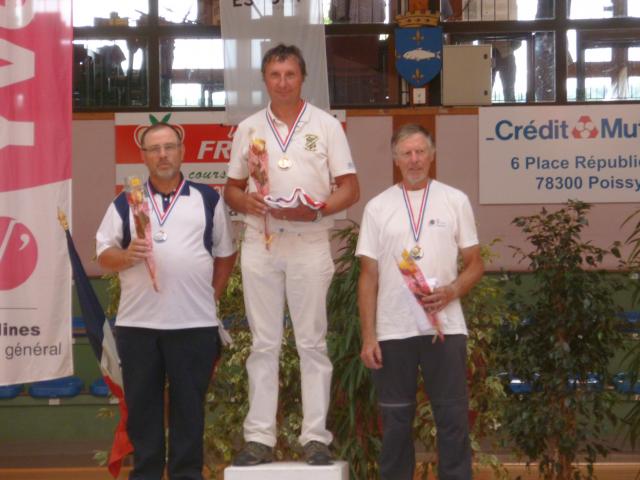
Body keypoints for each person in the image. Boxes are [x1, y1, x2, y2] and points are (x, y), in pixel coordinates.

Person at [224, 43, 359, 466]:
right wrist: (246, 203)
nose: (283, 82)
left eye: (290, 74)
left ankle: (315, 437)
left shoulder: (326, 126)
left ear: (303, 78)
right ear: (265, 80)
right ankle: (259, 438)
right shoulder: (248, 128)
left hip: (309, 242)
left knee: (312, 342)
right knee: (263, 343)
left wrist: (317, 209)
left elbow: (350, 188)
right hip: (260, 242)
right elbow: (231, 189)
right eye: (275, 75)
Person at [96, 122, 237, 480]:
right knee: (143, 413)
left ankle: (186, 475)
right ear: (143, 156)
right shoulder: (125, 201)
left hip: (194, 325)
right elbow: (103, 255)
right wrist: (126, 255)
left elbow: (225, 254)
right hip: (138, 327)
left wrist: (211, 297)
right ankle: (145, 475)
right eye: (154, 149)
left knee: (189, 411)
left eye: (169, 147)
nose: (163, 155)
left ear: (182, 152)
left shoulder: (208, 199)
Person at [356, 124, 484, 480]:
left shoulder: (455, 200)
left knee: (452, 419)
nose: (414, 159)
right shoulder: (377, 207)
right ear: (396, 160)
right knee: (396, 423)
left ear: (432, 155)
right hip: (393, 331)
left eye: (420, 152)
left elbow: (475, 264)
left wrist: (452, 291)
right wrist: (369, 336)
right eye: (406, 153)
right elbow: (368, 276)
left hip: (445, 328)